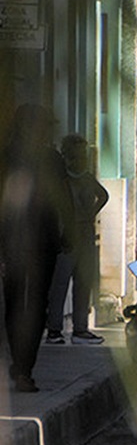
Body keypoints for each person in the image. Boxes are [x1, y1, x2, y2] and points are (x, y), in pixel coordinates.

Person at [1, 105, 72, 392]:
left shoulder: (49, 159)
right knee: (25, 303)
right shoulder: (11, 157)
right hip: (22, 241)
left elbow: (63, 199)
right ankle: (22, 368)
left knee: (25, 303)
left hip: (37, 241)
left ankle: (23, 366)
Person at [46, 134, 109, 345]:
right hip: (68, 236)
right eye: (75, 155)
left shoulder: (87, 178)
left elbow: (104, 195)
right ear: (66, 156)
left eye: (82, 155)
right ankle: (54, 329)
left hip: (86, 234)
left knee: (83, 282)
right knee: (60, 283)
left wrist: (91, 212)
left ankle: (80, 329)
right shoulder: (61, 180)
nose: (79, 160)